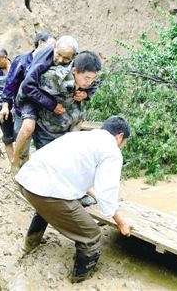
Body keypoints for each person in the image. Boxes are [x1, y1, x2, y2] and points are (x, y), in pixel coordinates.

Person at [15, 116, 132, 283]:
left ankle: (30, 245)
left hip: (26, 181)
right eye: (124, 142)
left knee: (45, 208)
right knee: (92, 235)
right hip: (44, 193)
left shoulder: (81, 136)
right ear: (120, 137)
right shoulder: (112, 150)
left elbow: (78, 176)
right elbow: (107, 193)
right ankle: (79, 279)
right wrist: (121, 223)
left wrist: (96, 197)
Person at [4, 36, 80, 170]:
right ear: (54, 47)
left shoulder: (76, 61)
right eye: (59, 55)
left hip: (48, 94)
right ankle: (15, 162)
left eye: (66, 58)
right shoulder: (43, 59)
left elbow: (90, 74)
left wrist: (86, 93)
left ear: (74, 56)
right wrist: (52, 105)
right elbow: (28, 86)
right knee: (28, 127)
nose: (61, 60)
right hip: (30, 96)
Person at [0, 32, 56, 163]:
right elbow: (10, 84)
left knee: (44, 147)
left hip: (45, 112)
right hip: (22, 111)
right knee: (23, 146)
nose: (54, 49)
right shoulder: (22, 60)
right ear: (41, 43)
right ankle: (20, 172)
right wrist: (5, 106)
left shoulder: (52, 63)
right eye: (52, 45)